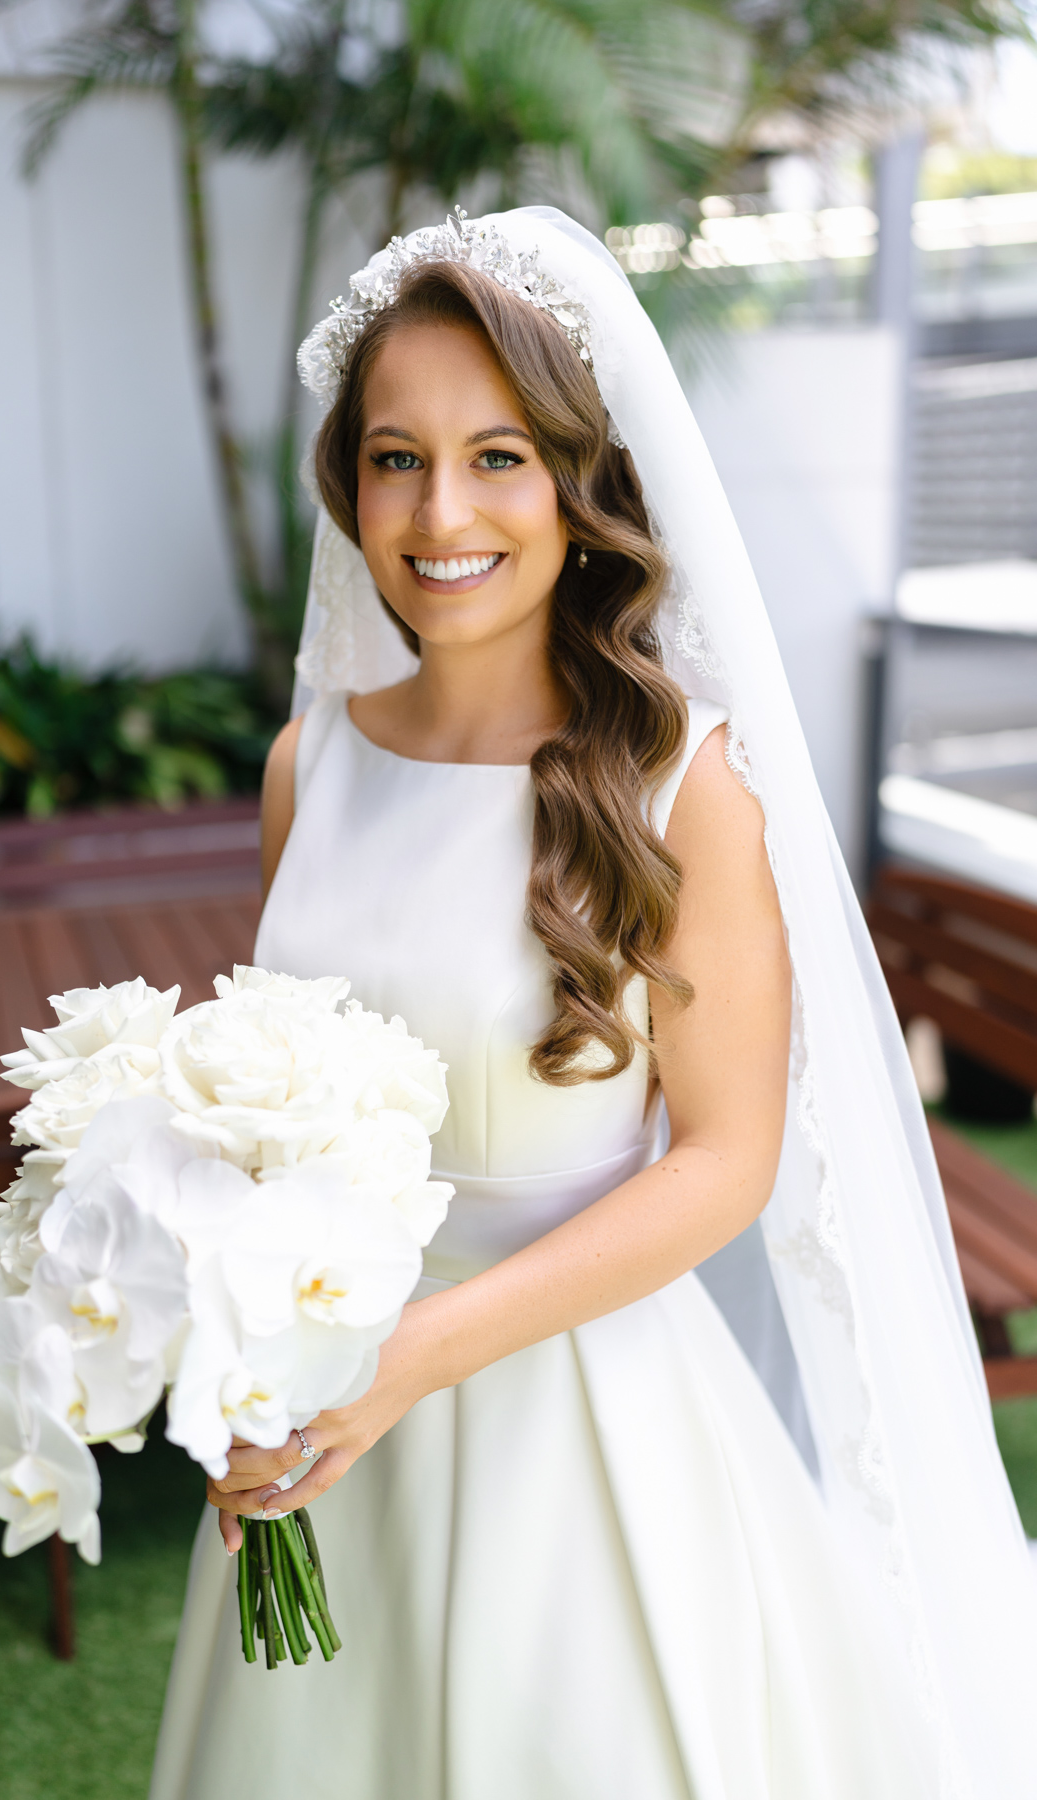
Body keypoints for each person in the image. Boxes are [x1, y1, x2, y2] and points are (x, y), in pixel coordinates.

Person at [150, 210, 1037, 1800]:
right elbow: (273, 1096)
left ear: (582, 478)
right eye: (394, 459)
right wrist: (225, 1332)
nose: (440, 514)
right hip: (323, 1420)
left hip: (580, 1416)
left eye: (499, 455)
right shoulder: (312, 763)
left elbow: (724, 1158)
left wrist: (420, 1351)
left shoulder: (684, 786)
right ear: (346, 486)